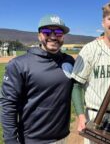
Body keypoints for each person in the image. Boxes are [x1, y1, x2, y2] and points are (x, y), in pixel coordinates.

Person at [0, 14, 75, 144]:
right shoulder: (19, 64)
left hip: (63, 137)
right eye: (47, 32)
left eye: (58, 32)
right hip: (33, 140)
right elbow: (8, 105)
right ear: (39, 35)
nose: (53, 36)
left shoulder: (69, 61)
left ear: (63, 36)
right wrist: (11, 140)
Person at [71, 0, 110, 144]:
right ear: (103, 22)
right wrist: (81, 117)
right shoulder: (89, 49)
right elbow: (76, 86)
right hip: (95, 118)